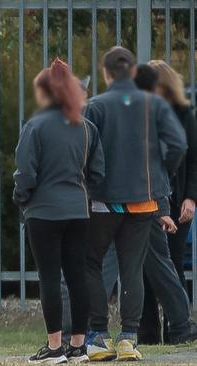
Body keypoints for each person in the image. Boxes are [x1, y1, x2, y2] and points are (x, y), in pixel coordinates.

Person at [83, 46, 187, 361]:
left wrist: (92, 181)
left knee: (92, 262)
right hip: (143, 202)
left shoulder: (95, 106)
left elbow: (83, 146)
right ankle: (130, 336)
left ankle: (99, 334)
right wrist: (159, 176)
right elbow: (178, 145)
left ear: (106, 72)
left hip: (104, 201)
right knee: (133, 267)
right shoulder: (154, 105)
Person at [14, 58, 105, 364]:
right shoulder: (87, 127)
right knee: (77, 276)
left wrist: (22, 197)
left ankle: (55, 346)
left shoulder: (35, 126)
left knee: (50, 277)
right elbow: (97, 172)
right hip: (78, 211)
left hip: (43, 211)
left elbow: (26, 172)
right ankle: (78, 346)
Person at [136, 61, 197, 345]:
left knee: (170, 264)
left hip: (177, 199)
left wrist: (191, 197)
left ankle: (177, 328)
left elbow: (193, 160)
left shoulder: (184, 115)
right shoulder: (141, 113)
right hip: (148, 198)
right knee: (145, 265)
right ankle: (148, 331)